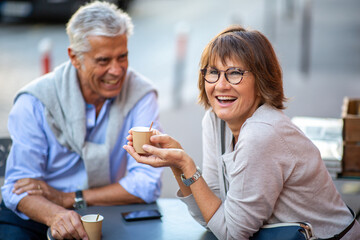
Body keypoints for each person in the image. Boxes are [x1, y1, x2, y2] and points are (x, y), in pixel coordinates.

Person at [123, 25, 360, 239]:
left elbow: (232, 234)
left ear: (262, 81)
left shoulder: (263, 133)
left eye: (235, 73)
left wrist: (187, 166)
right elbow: (212, 217)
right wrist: (177, 166)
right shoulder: (215, 121)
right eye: (213, 72)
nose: (221, 85)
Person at [0, 1, 163, 239]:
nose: (117, 70)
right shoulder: (35, 101)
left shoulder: (141, 95)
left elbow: (147, 183)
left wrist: (71, 198)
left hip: (109, 212)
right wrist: (56, 214)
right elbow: (17, 190)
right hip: (40, 215)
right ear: (75, 58)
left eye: (122, 57)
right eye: (103, 61)